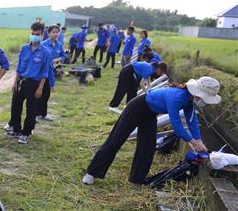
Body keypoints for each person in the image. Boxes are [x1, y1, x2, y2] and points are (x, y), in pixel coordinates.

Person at [84, 77, 220, 185]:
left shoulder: (190, 101)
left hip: (150, 114)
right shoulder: (178, 96)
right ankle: (92, 173)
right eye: (205, 99)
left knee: (147, 146)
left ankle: (137, 178)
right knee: (116, 140)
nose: (205, 103)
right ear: (198, 94)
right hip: (136, 108)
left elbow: (192, 121)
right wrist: (193, 142)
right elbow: (177, 125)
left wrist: (199, 140)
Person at [5, 22, 52, 144]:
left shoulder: (45, 52)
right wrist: (15, 82)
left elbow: (45, 72)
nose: (34, 36)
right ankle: (16, 129)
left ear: (42, 35)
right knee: (15, 106)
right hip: (21, 81)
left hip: (34, 84)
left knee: (31, 109)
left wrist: (40, 88)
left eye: (37, 34)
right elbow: (19, 67)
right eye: (32, 33)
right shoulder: (24, 48)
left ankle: (26, 132)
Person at [37, 24, 66, 121]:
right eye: (53, 32)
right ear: (48, 33)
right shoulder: (43, 44)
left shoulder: (59, 44)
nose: (55, 34)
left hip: (52, 71)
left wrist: (58, 60)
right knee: (39, 92)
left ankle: (43, 113)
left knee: (47, 93)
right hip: (43, 72)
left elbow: (63, 55)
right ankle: (36, 113)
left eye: (57, 32)